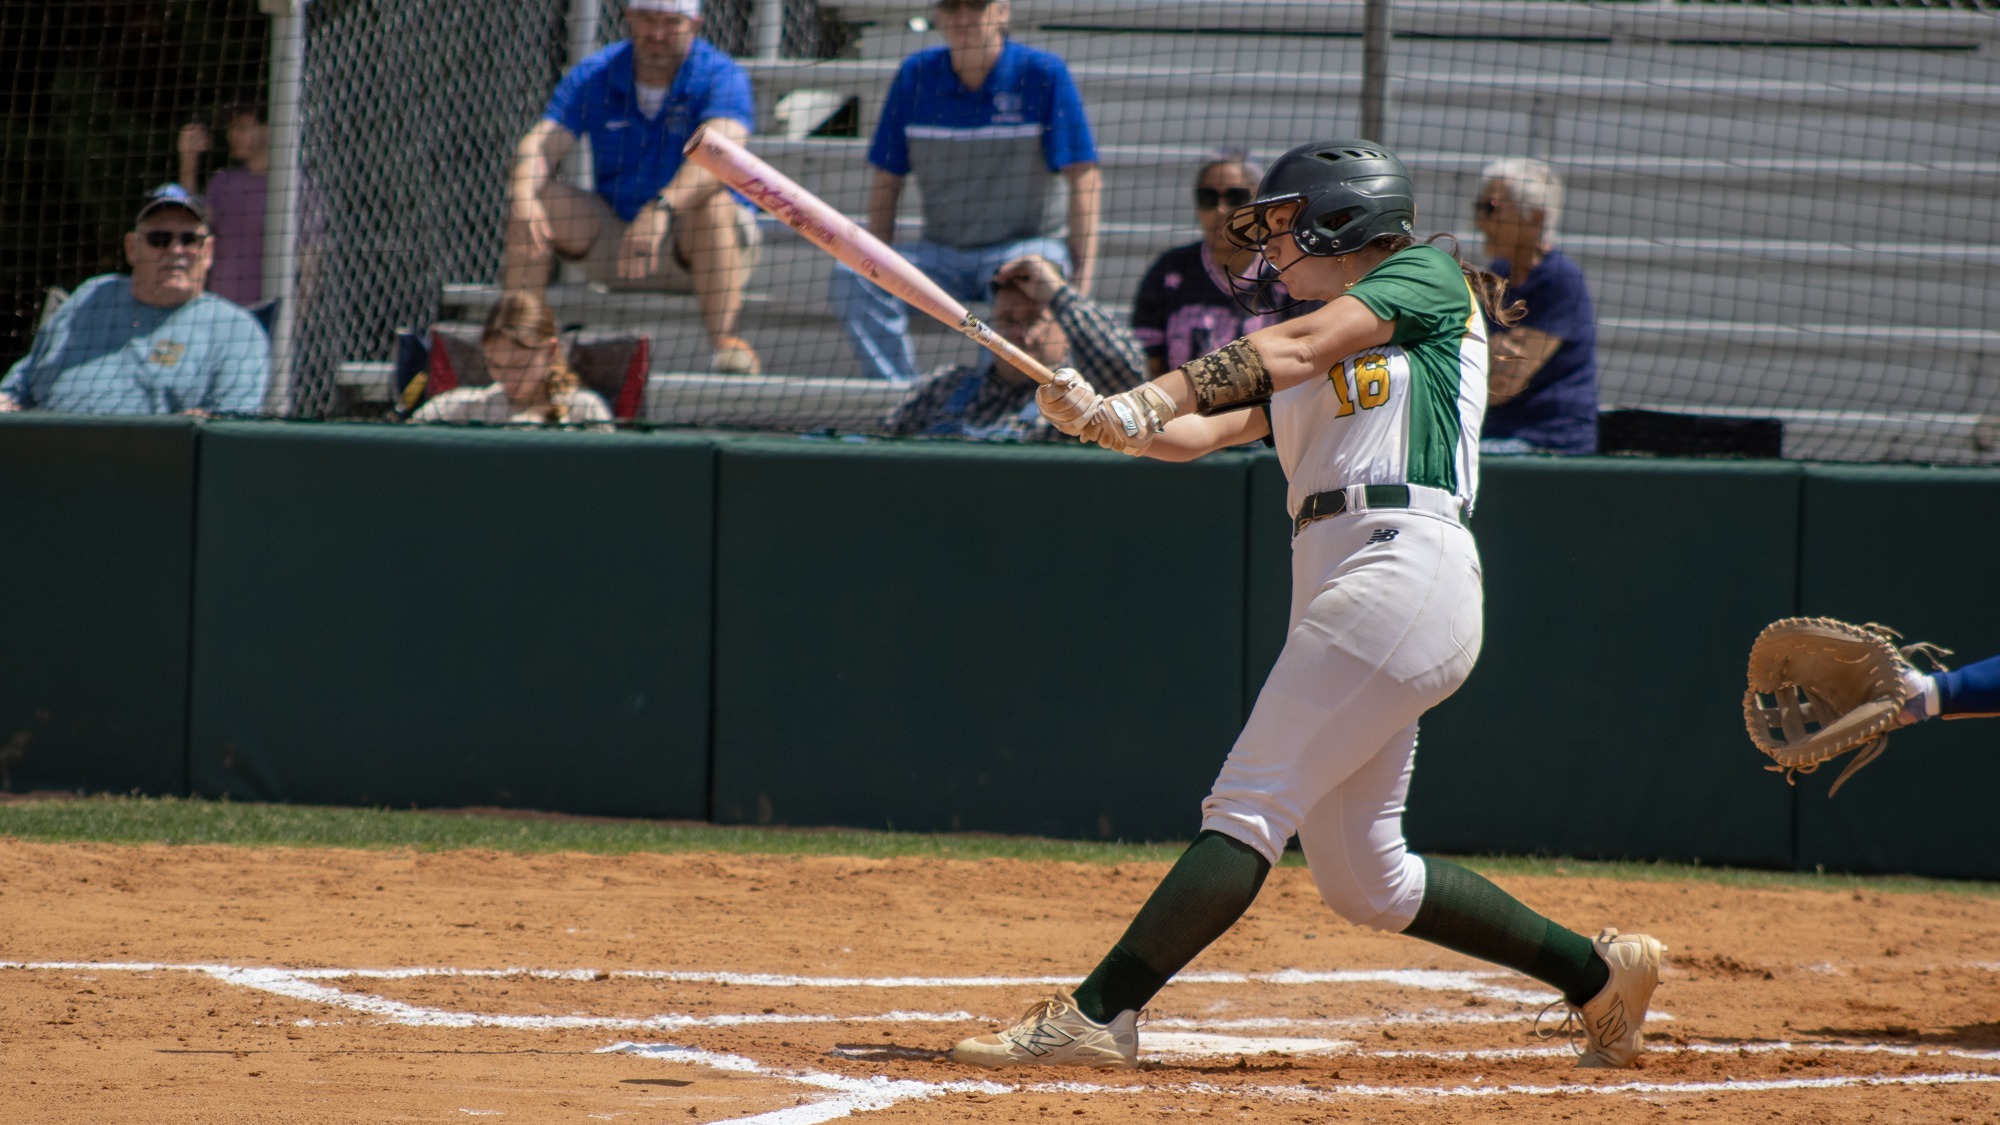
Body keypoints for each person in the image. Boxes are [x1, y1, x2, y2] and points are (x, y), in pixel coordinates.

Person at [949, 140, 1664, 1072]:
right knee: (1368, 878)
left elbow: (1284, 350)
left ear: (1343, 218)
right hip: (1342, 575)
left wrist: (1146, 398)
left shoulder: (1425, 280)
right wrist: (1104, 416)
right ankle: (1600, 977)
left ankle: (1098, 1013)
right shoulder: (1318, 328)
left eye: (1287, 224)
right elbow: (1201, 429)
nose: (1270, 244)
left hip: (1403, 561)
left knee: (1250, 799)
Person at [830, 0, 1100, 384]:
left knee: (1025, 283)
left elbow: (1084, 178)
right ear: (938, 14)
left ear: (1002, 10)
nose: (962, 16)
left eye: (975, 4)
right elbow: (887, 180)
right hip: (942, 254)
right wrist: (878, 262)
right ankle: (903, 397)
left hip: (1023, 248)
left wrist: (1078, 290)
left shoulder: (1043, 73)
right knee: (853, 275)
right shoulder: (915, 75)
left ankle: (989, 404)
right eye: (950, 5)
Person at [503, 0, 762, 376]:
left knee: (714, 203)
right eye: (646, 19)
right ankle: (517, 344)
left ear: (695, 24)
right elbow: (541, 144)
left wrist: (661, 208)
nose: (656, 33)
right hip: (620, 240)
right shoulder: (597, 71)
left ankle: (727, 346)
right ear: (627, 17)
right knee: (534, 198)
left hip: (701, 246)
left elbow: (723, 154)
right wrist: (523, 197)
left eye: (670, 22)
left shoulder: (721, 74)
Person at [0, 185, 269, 416]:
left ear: (207, 251)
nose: (176, 250)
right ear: (132, 248)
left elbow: (230, 425)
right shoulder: (91, 296)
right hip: (47, 451)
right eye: (160, 239)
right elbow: (20, 386)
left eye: (189, 240)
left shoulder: (235, 330)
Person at [882, 256, 1143, 438]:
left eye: (1032, 320)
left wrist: (1057, 293)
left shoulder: (1081, 406)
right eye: (1007, 320)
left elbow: (1129, 376)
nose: (1018, 333)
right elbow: (882, 445)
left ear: (1065, 331)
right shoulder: (942, 385)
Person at [1131, 153, 1313, 378]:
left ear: (1260, 204)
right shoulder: (1169, 271)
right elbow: (1148, 362)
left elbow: (1308, 354)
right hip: (1180, 399)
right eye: (1207, 198)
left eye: (1235, 197)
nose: (1220, 209)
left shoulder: (1289, 269)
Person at [1474, 158, 1599, 454]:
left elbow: (1501, 387)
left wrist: (1481, 357)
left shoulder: (1559, 280)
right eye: (1478, 208)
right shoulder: (1499, 273)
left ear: (1536, 217)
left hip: (1547, 442)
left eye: (1491, 208)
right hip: (1498, 434)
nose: (1480, 221)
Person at [410, 290, 612, 426]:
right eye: (495, 365)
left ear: (551, 351)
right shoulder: (464, 406)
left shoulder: (585, 409)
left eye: (519, 366)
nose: (507, 378)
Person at [177, 99, 270, 309]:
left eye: (242, 127)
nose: (231, 135)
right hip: (220, 309)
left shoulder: (293, 188)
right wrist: (188, 162)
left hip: (267, 312)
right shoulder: (223, 182)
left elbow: (310, 258)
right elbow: (191, 222)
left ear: (269, 129)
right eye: (230, 128)